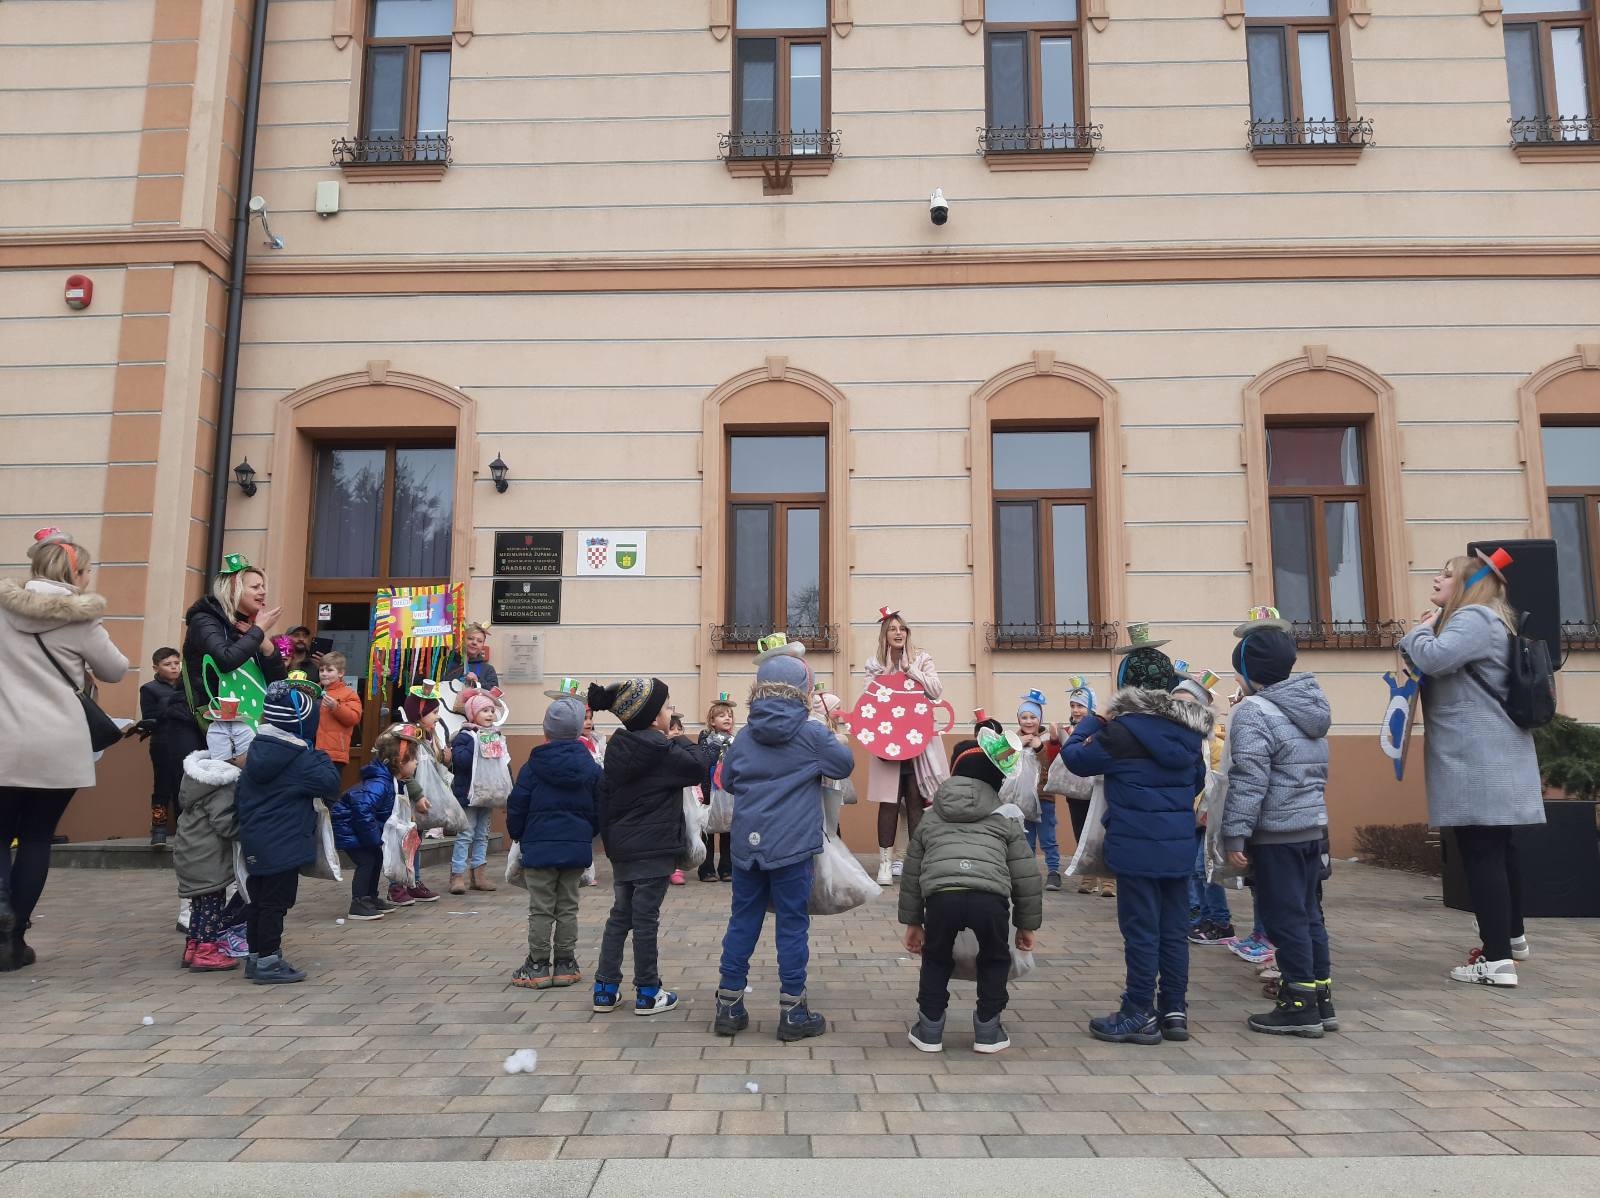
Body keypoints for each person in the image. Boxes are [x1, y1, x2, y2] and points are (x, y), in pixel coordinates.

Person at [1399, 552, 1544, 989]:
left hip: (1476, 758)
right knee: (1499, 849)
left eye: (1446, 574)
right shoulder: (1487, 620)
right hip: (1492, 754)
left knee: (1481, 852)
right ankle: (1511, 939)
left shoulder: (1473, 619)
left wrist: (1416, 633)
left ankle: (1495, 959)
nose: (1437, 579)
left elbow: (1434, 659)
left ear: (1467, 583)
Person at [1063, 645, 1210, 1045]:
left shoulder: (1120, 731)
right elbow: (1196, 782)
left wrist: (1094, 718)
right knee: (1173, 930)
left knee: (1142, 930)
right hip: (1178, 846)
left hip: (1136, 847)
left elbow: (1074, 758)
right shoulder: (1189, 731)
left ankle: (1138, 1012)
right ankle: (1174, 1010)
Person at [0, 528, 130, 971]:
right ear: (75, 572)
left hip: (3, 740)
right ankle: (13, 941)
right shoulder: (82, 619)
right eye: (88, 570)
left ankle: (0, 911)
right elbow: (114, 671)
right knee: (36, 838)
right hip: (57, 745)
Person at [712, 651, 855, 1042]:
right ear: (804, 691)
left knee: (742, 920)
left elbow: (728, 782)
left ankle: (728, 1006)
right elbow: (843, 765)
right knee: (792, 925)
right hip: (792, 846)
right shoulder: (810, 733)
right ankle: (793, 1011)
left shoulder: (743, 734)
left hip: (746, 846)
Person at [1221, 627, 1334, 1034]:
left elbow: (1249, 778)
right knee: (1309, 915)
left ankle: (1298, 1005)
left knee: (1285, 919)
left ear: (1253, 671)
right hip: (1311, 828)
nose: (1237, 680)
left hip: (1277, 834)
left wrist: (1235, 834)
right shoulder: (1310, 706)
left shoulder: (1255, 711)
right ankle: (1322, 998)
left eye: (1239, 670)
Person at [900, 740, 1043, 1054]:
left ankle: (929, 1029)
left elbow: (911, 874)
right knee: (994, 959)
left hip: (941, 900)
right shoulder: (1004, 818)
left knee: (936, 959)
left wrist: (912, 922)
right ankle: (988, 1030)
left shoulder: (930, 817)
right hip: (989, 900)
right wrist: (1026, 925)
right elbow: (1026, 876)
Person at [588, 677, 716, 1016]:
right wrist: (682, 739)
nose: (670, 711)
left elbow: (603, 798)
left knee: (620, 917)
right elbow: (699, 767)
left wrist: (612, 842)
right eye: (666, 706)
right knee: (646, 921)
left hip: (623, 851)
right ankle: (648, 991)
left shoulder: (618, 747)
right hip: (654, 849)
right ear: (653, 717)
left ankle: (605, 988)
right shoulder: (661, 750)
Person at [235, 680, 341, 984]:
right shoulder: (301, 758)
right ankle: (269, 961)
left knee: (258, 900)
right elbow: (330, 782)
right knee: (275, 903)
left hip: (256, 838)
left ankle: (256, 958)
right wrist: (316, 750)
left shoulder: (258, 749)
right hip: (284, 841)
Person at [506, 695, 601, 989]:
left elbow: (517, 805)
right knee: (568, 906)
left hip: (538, 848)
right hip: (575, 848)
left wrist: (518, 834)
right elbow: (600, 807)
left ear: (546, 730)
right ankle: (565, 964)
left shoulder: (533, 767)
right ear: (578, 731)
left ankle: (536, 965)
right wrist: (587, 833)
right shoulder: (591, 768)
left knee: (541, 907)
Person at [865, 607, 950, 885]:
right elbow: (872, 699)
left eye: (902, 628)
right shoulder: (874, 664)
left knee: (915, 800)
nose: (898, 633)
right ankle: (886, 864)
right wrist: (890, 670)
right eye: (892, 629)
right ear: (885, 635)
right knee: (888, 802)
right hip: (887, 741)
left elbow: (936, 690)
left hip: (918, 743)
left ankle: (915, 863)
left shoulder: (922, 659)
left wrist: (911, 670)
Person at [173, 714, 253, 971]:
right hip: (206, 860)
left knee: (199, 907)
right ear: (233, 754)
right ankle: (207, 950)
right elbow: (225, 823)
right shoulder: (221, 786)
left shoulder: (198, 780)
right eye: (247, 753)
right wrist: (247, 830)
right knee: (211, 907)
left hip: (191, 854)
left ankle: (193, 945)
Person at [333, 725, 419, 921]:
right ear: (399, 761)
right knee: (367, 861)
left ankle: (370, 897)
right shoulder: (379, 783)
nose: (416, 764)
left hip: (359, 827)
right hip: (349, 826)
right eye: (413, 759)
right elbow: (362, 810)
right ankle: (358, 903)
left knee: (375, 859)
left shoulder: (388, 780)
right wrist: (373, 838)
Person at [1175, 676, 1235, 946]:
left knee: (1205, 868)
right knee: (1192, 868)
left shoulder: (1214, 743)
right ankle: (1197, 915)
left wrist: (1209, 809)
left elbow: (1221, 780)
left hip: (1207, 814)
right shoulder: (1174, 738)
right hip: (1186, 814)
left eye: (1186, 704)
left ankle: (1220, 921)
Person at [448, 692, 508, 894]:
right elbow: (460, 761)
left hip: (488, 793)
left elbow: (502, 765)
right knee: (466, 833)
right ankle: (457, 875)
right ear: (472, 714)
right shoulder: (464, 736)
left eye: (492, 710)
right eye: (484, 710)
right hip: (468, 793)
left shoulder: (496, 735)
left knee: (482, 835)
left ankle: (479, 874)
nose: (490, 714)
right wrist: (478, 742)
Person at [1016, 690, 1062, 890]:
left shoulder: (1045, 740)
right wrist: (1016, 745)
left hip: (1044, 798)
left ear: (1039, 719)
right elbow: (1003, 762)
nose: (1028, 721)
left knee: (1048, 838)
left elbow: (1051, 765)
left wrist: (1039, 747)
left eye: (1033, 717)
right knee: (1026, 839)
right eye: (1024, 717)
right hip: (1021, 799)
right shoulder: (1012, 739)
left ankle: (1053, 872)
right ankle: (1029, 873)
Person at [697, 695, 736, 882]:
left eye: (729, 715)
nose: (727, 718)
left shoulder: (735, 741)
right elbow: (703, 761)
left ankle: (727, 868)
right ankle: (706, 868)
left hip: (728, 791)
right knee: (708, 830)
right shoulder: (706, 739)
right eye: (721, 716)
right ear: (712, 721)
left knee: (728, 829)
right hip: (710, 789)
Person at [315, 651, 363, 769]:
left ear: (341, 673)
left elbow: (354, 718)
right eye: (321, 670)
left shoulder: (349, 693)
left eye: (329, 670)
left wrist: (336, 707)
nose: (324, 674)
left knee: (328, 786)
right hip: (312, 750)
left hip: (334, 753)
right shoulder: (314, 691)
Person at [445, 621, 500, 691]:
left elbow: (495, 694)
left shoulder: (488, 669)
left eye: (479, 641)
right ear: (462, 640)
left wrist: (478, 681)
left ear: (483, 645)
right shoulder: (446, 663)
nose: (474, 643)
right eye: (470, 638)